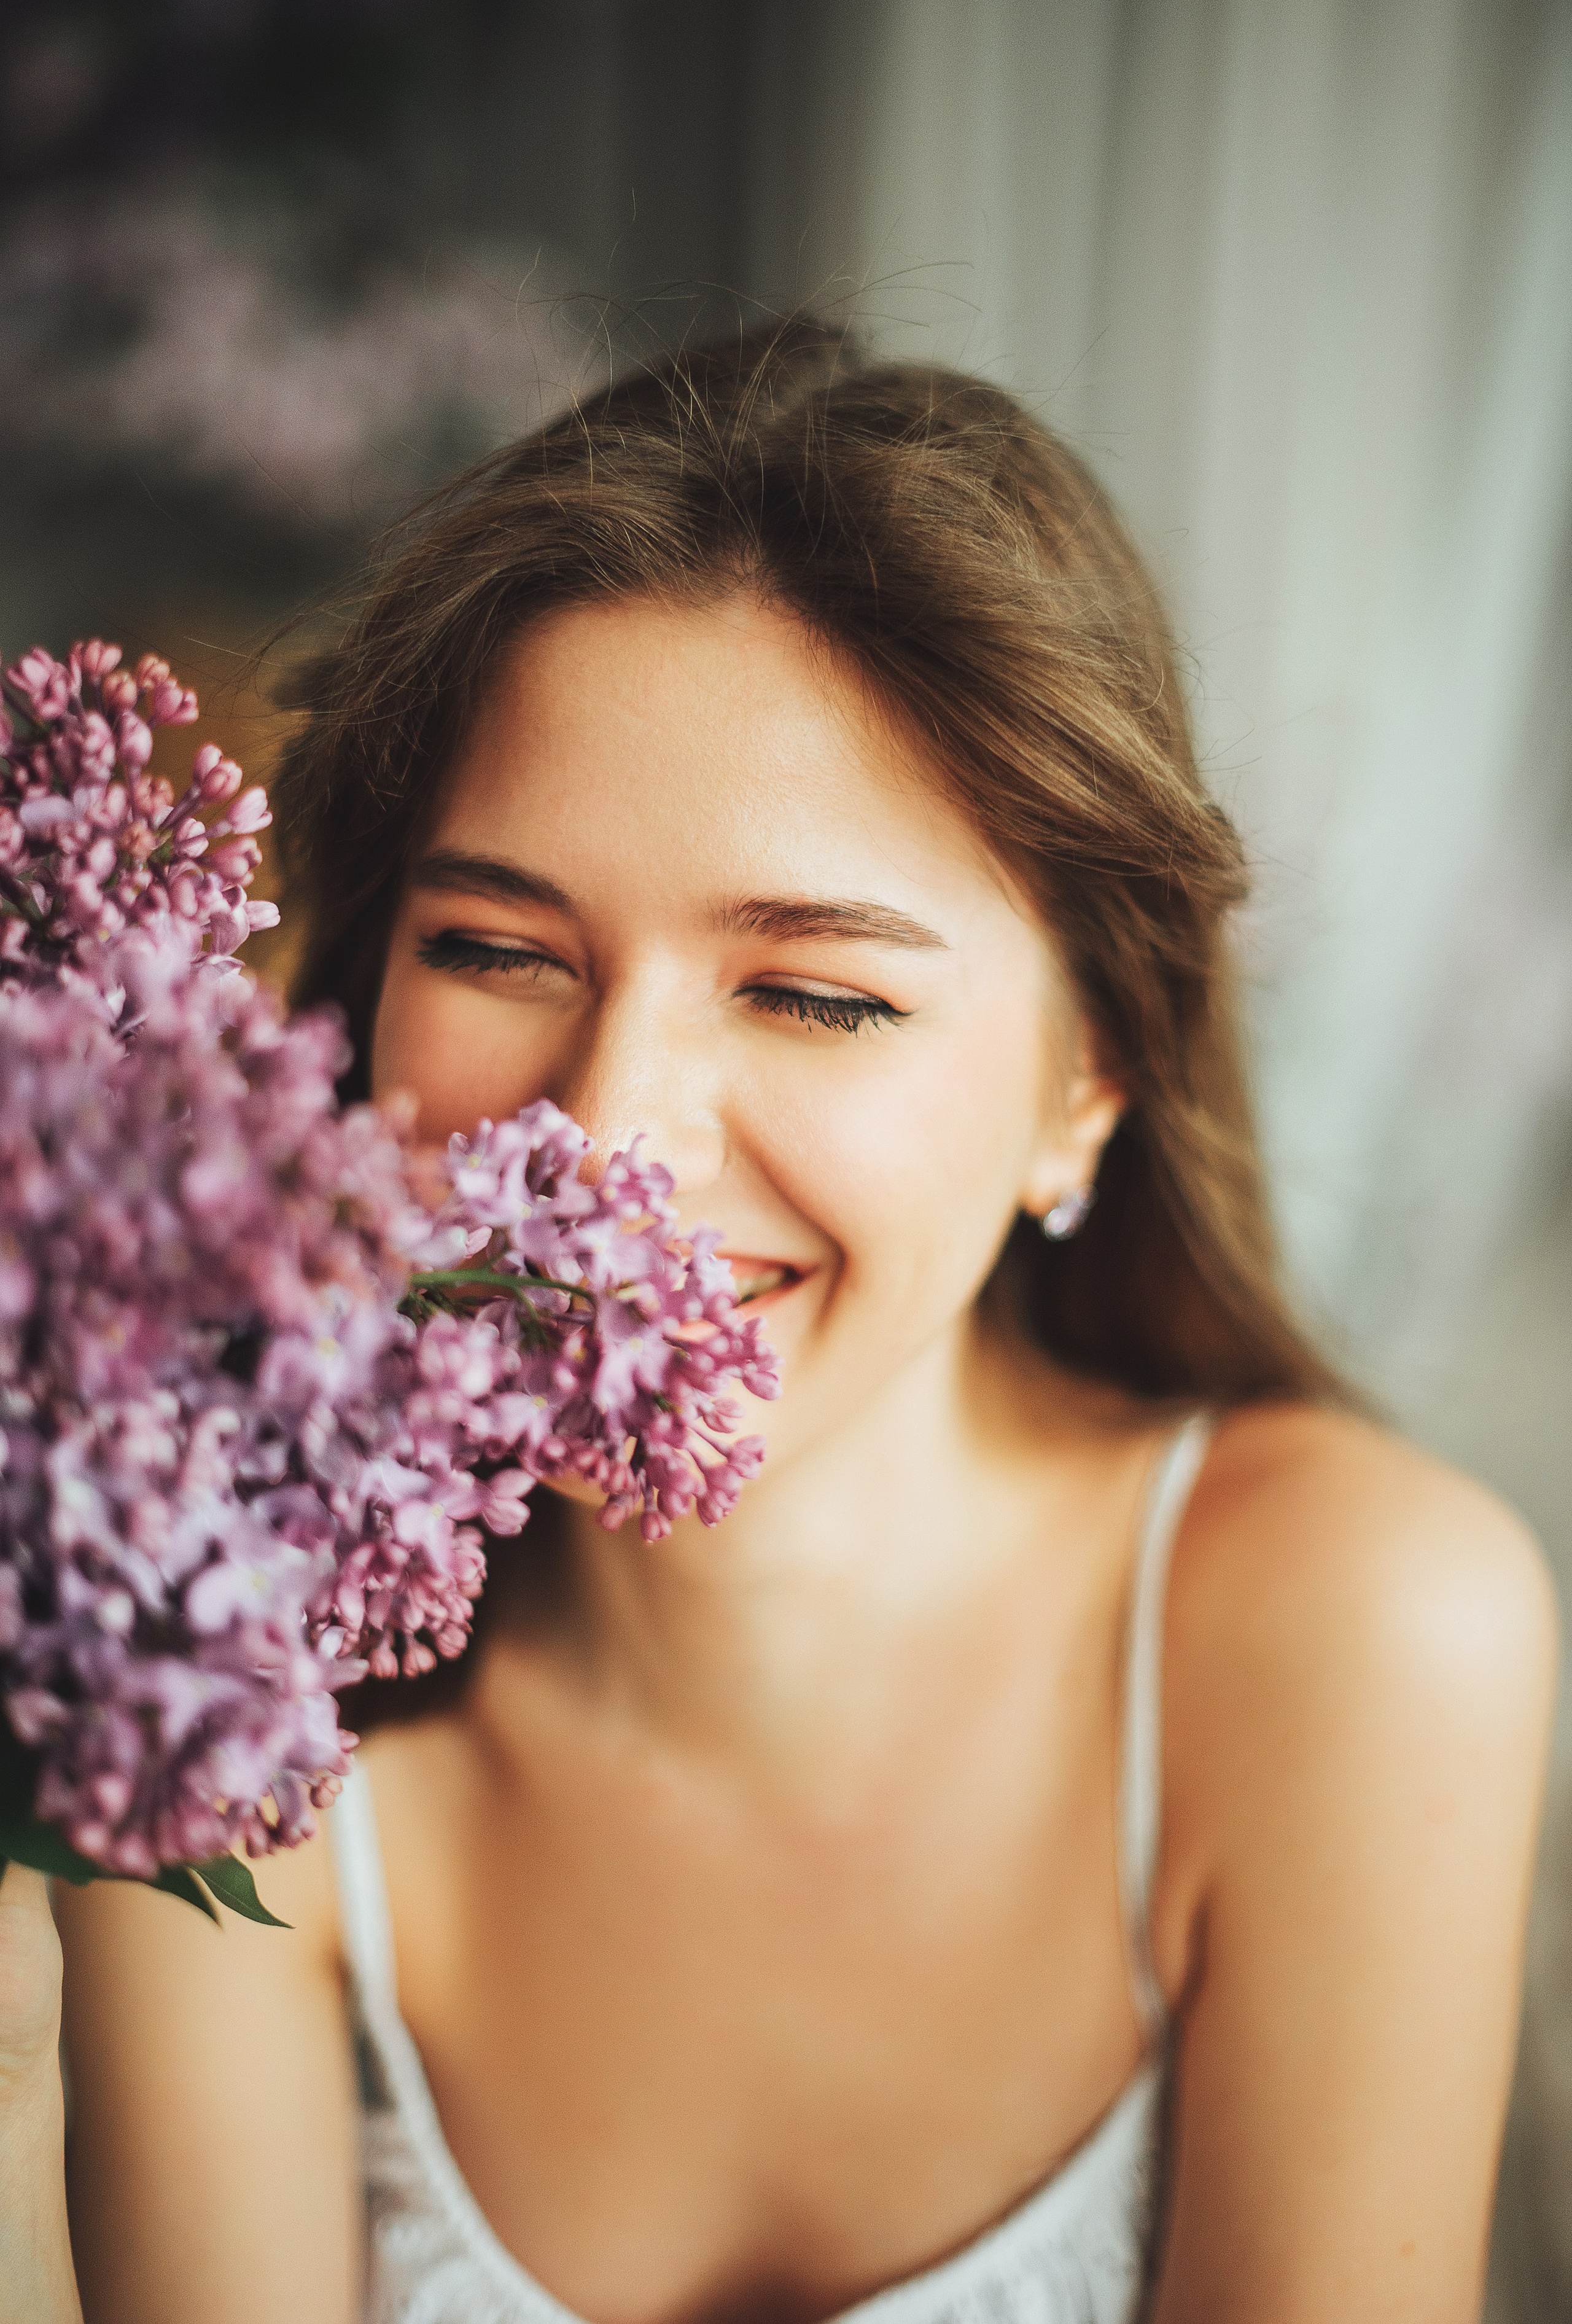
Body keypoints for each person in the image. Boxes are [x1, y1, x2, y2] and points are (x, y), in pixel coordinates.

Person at [2, 319, 1555, 2324]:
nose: (608, 1135)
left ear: (1086, 1081)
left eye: (817, 991)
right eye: (492, 945)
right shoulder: (208, 1674)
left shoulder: (1358, 1627)